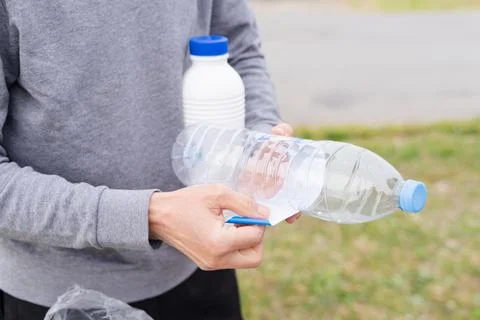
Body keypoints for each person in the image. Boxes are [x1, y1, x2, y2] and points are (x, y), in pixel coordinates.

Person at [0, 0, 301, 319]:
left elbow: (236, 45)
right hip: (54, 295)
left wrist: (261, 136)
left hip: (199, 263)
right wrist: (151, 217)